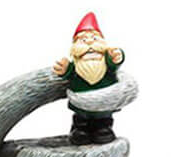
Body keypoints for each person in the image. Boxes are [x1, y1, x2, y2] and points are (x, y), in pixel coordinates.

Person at [53, 12, 125, 145]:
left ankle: (103, 129)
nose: (90, 42)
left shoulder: (106, 63)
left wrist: (116, 57)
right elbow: (69, 73)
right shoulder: (77, 65)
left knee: (103, 119)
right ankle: (81, 130)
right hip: (81, 105)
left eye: (94, 38)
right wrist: (64, 70)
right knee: (81, 118)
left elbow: (114, 63)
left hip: (104, 104)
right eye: (83, 40)